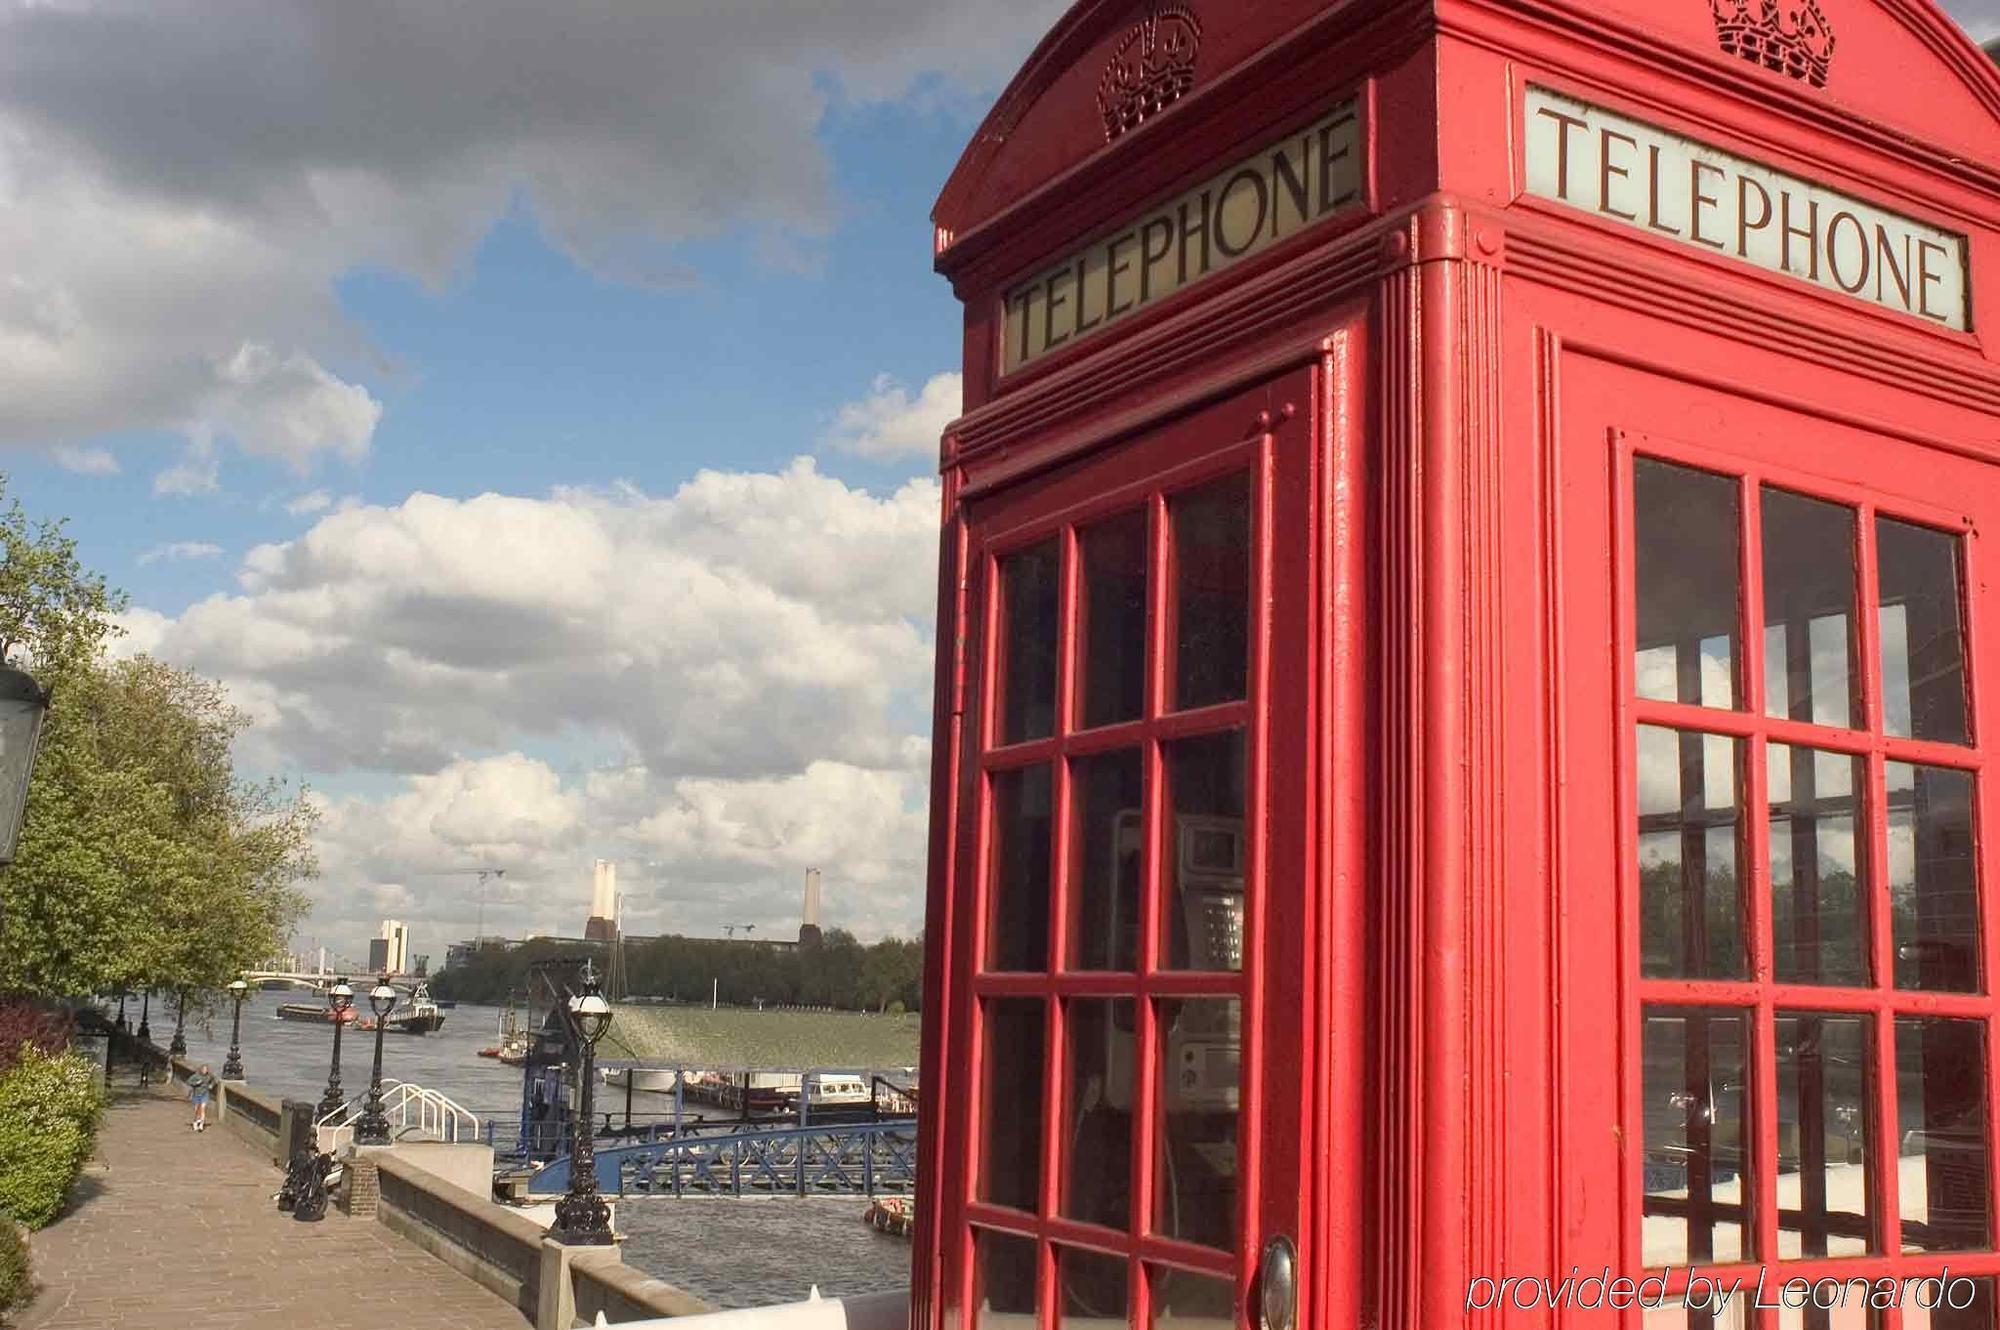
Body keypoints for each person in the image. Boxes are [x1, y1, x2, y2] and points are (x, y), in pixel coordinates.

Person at [186, 1064, 216, 1132]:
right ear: (201, 1069)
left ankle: (201, 1125)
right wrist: (196, 1083)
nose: (205, 1071)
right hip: (196, 1094)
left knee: (203, 1108)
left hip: (205, 1094)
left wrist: (211, 1085)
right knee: (197, 1110)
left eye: (206, 1070)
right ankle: (195, 1122)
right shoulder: (196, 1076)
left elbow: (214, 1080)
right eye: (204, 1070)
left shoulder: (209, 1076)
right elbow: (188, 1081)